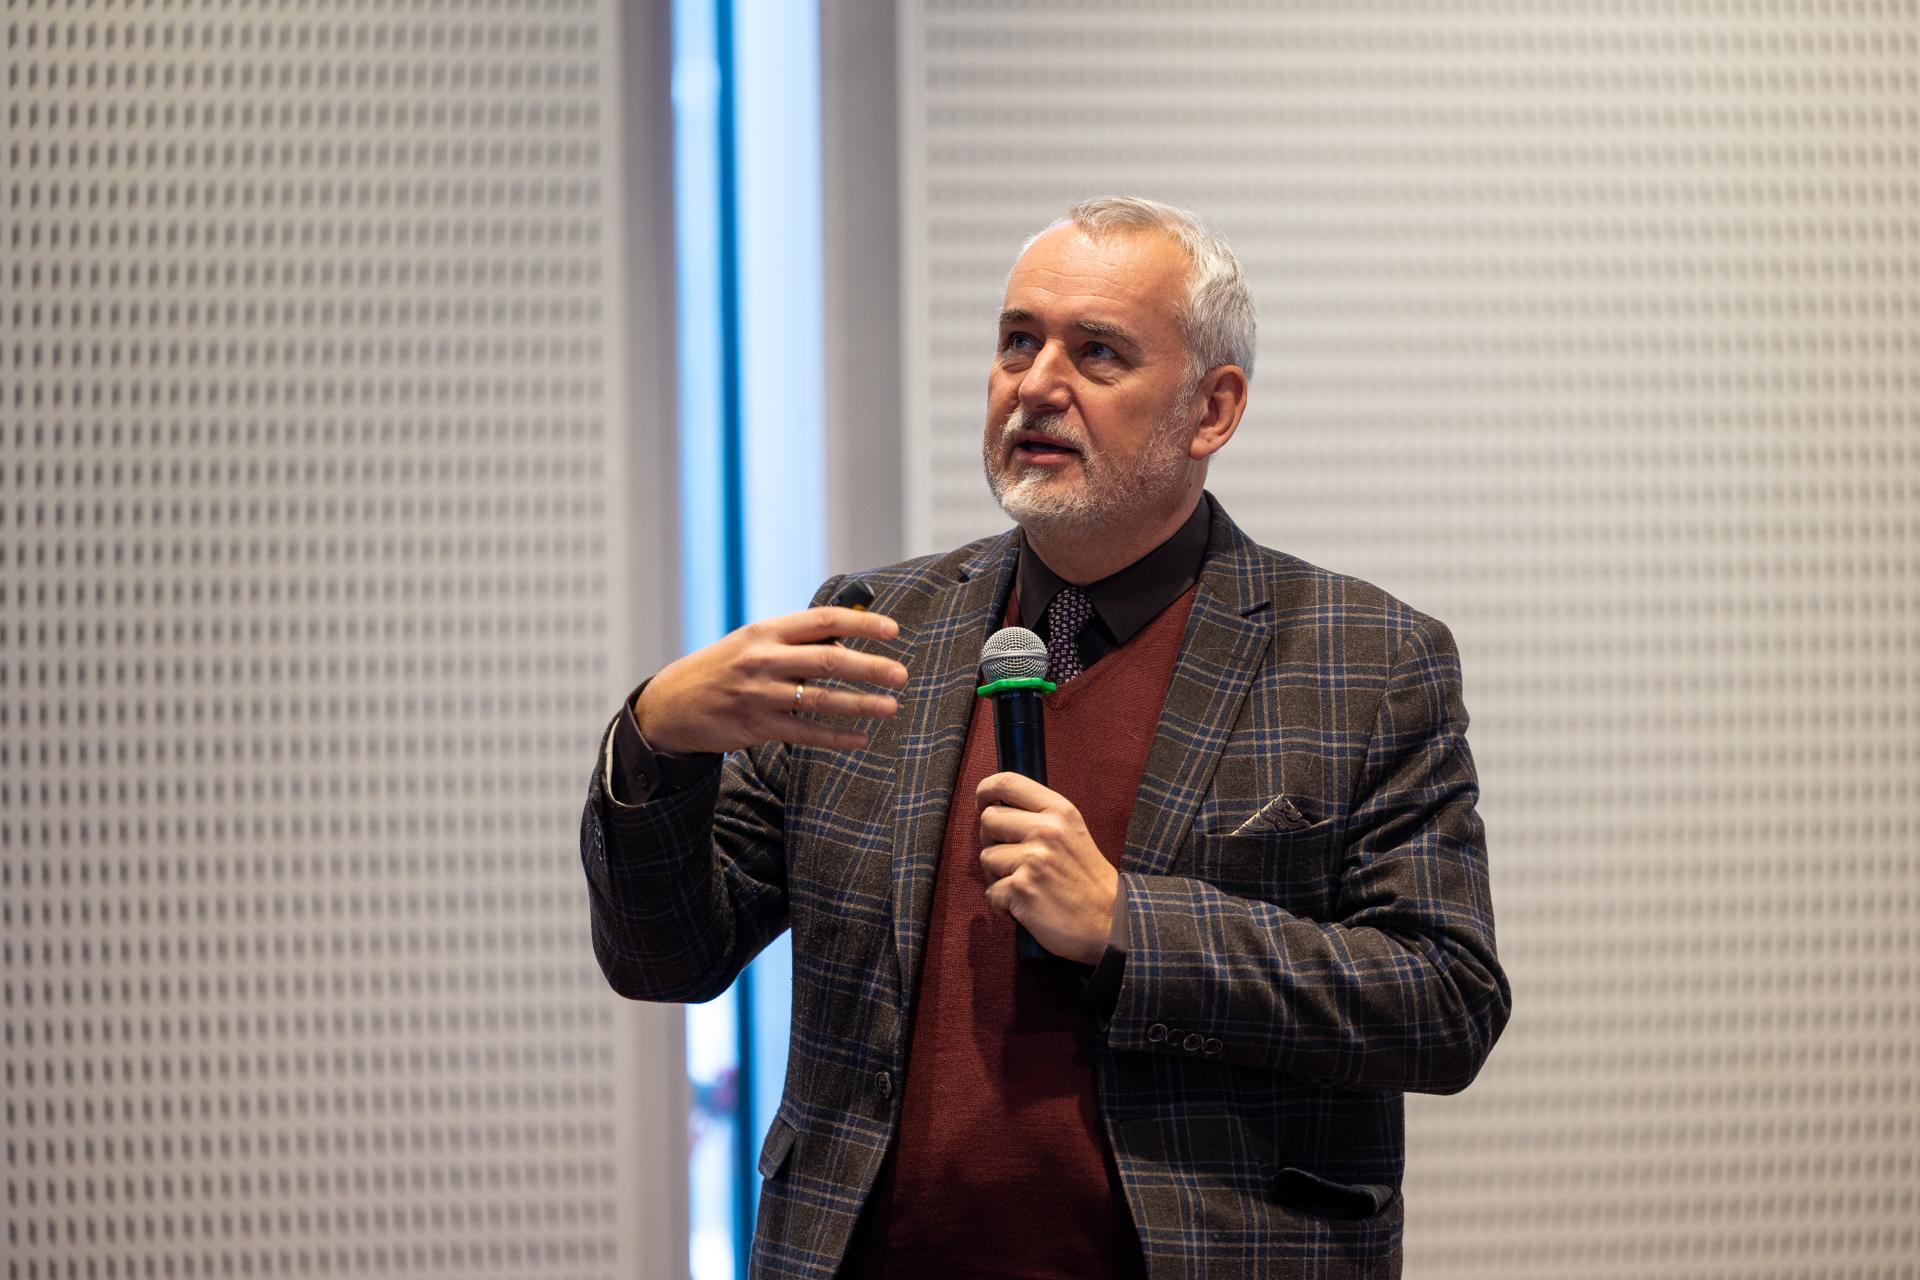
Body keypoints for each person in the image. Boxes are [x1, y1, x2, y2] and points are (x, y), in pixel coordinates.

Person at [581, 196, 1510, 1279]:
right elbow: (667, 955)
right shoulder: (877, 626)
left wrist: (1128, 923)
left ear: (1212, 409)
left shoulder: (1363, 658)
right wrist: (658, 741)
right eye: (1018, 341)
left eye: (1097, 352)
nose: (1035, 384)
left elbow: (1445, 1001)